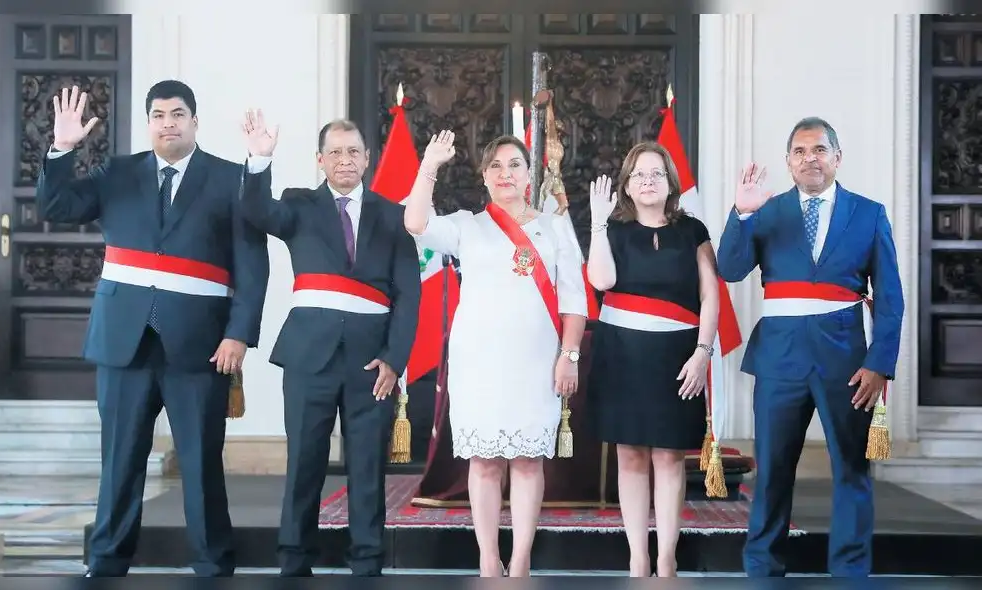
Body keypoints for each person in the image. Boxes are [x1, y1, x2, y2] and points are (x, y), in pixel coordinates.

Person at [35, 81, 270, 576]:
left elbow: (252, 265)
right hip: (125, 343)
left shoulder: (231, 179)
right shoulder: (118, 173)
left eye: (178, 113)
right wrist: (62, 149)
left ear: (195, 121)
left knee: (202, 466)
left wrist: (239, 333)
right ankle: (106, 561)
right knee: (120, 463)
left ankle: (212, 564)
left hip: (202, 347)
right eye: (159, 114)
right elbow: (57, 207)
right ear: (148, 123)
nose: (169, 122)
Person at [716, 117, 904, 577]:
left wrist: (880, 363)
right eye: (800, 152)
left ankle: (850, 571)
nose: (810, 159)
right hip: (780, 358)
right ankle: (762, 567)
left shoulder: (868, 212)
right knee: (774, 472)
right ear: (788, 162)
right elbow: (730, 267)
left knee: (852, 471)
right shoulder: (766, 209)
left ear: (837, 158)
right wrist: (741, 214)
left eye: (819, 150)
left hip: (848, 362)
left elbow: (891, 298)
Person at [237, 113, 421, 577]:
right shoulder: (298, 205)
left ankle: (367, 562)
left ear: (367, 158)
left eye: (353, 151)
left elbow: (409, 294)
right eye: (335, 152)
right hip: (308, 360)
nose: (344, 160)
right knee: (304, 465)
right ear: (320, 160)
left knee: (366, 470)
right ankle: (294, 561)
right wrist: (259, 159)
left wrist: (394, 360)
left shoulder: (393, 215)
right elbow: (257, 213)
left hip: (371, 364)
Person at [403, 132, 588, 577]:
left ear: (529, 175)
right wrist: (429, 165)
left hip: (535, 363)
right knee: (484, 464)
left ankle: (521, 558)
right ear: (485, 177)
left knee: (527, 463)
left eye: (515, 165)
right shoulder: (468, 225)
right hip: (479, 363)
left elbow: (574, 298)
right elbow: (416, 222)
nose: (506, 173)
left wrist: (570, 354)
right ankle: (488, 557)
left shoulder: (554, 224)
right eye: (496, 166)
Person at [584, 141, 718, 577]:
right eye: (638, 174)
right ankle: (638, 556)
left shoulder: (692, 230)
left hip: (677, 356)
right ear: (626, 184)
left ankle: (666, 558)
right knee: (631, 455)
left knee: (669, 456)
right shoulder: (614, 229)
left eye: (656, 174)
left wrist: (703, 352)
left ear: (670, 183)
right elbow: (601, 280)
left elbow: (710, 295)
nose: (647, 181)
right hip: (622, 353)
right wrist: (597, 225)